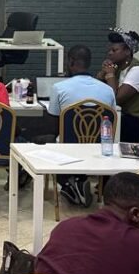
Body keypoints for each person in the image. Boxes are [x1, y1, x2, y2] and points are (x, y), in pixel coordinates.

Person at [41, 44, 118, 207]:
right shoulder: (108, 90)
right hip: (99, 148)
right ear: (89, 63)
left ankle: (70, 183)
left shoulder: (59, 88)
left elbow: (52, 125)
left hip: (69, 147)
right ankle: (76, 182)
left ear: (70, 62)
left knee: (47, 139)